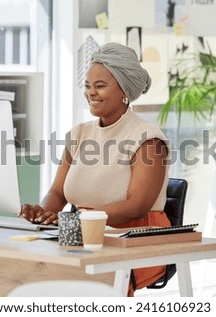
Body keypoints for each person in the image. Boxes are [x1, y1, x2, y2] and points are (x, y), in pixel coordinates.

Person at [21, 42, 171, 296]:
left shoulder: (148, 139)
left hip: (135, 239)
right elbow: (57, 194)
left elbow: (137, 206)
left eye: (100, 86)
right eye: (88, 86)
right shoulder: (79, 133)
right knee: (27, 270)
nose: (91, 92)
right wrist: (43, 213)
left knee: (62, 282)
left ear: (124, 90)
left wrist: (83, 222)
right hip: (82, 236)